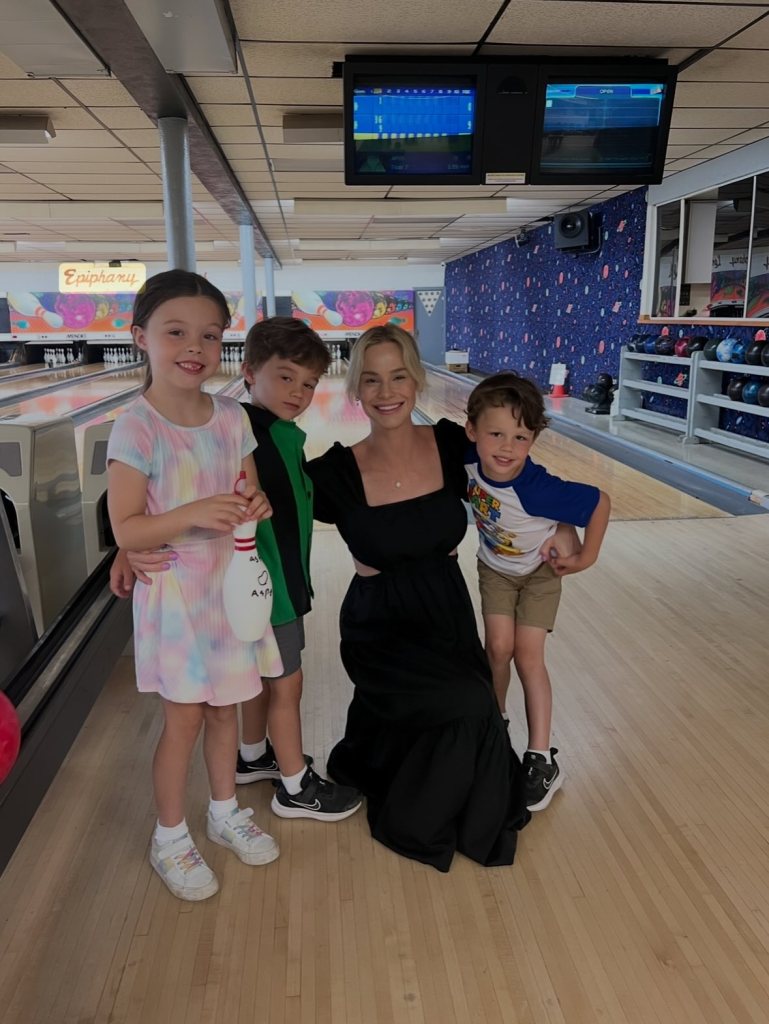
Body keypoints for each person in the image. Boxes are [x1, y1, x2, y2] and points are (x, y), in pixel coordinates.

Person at [113, 317, 362, 822]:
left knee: (254, 682)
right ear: (248, 372)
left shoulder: (269, 431)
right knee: (285, 684)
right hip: (257, 589)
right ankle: (294, 783)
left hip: (262, 583)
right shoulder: (246, 429)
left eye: (310, 382)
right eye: (286, 377)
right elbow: (160, 494)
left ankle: (252, 757)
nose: (299, 391)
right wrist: (127, 543)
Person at [306, 325, 530, 872]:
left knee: (474, 704)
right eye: (372, 379)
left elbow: (520, 483)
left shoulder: (453, 445)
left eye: (398, 376)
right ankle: (425, 814)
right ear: (356, 388)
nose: (387, 391)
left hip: (445, 614)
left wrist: (566, 530)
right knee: (471, 705)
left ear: (418, 380)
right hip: (378, 627)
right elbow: (258, 500)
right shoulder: (335, 472)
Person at [107, 270, 282, 902]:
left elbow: (246, 490)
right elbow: (126, 526)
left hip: (229, 593)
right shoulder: (137, 426)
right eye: (175, 331)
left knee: (223, 712)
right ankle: (170, 835)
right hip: (177, 596)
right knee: (183, 719)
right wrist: (191, 515)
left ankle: (224, 809)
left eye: (210, 335)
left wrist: (253, 502)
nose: (195, 346)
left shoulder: (233, 417)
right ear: (140, 338)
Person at [464, 373, 611, 811]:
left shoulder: (536, 489)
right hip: (495, 569)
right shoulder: (466, 458)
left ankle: (541, 756)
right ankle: (496, 726)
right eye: (496, 434)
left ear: (533, 438)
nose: (506, 447)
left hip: (540, 574)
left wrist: (584, 555)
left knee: (528, 656)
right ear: (471, 431)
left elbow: (599, 501)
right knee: (496, 649)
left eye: (521, 437)